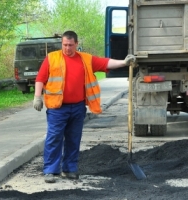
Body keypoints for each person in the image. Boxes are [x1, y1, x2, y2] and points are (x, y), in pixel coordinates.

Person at [33, 30, 136, 183]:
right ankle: (50, 171)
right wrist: (37, 96)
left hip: (78, 107)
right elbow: (40, 78)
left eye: (70, 45)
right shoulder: (52, 58)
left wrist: (124, 62)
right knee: (54, 138)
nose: (67, 48)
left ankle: (69, 169)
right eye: (64, 45)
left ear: (76, 44)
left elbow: (105, 62)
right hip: (57, 108)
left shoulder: (85, 59)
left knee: (74, 139)